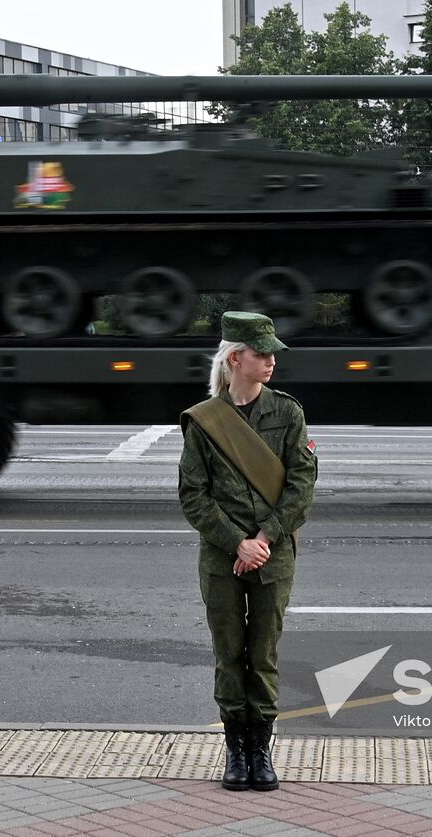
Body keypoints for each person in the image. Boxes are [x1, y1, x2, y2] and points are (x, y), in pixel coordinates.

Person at [178, 311, 317, 792]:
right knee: (228, 654)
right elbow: (193, 495)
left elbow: (302, 486)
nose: (272, 361)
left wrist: (263, 538)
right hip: (221, 557)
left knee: (262, 655)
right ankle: (235, 751)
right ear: (236, 358)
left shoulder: (288, 413)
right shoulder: (204, 420)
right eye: (262, 354)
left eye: (272, 353)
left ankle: (262, 751)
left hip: (272, 555)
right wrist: (236, 541)